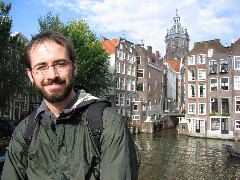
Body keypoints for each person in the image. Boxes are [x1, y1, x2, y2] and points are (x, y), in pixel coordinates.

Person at [2, 31, 139, 180]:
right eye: (41, 67)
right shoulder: (24, 132)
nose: (52, 75)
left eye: (60, 64)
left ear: (74, 67)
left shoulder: (107, 122)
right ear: (30, 75)